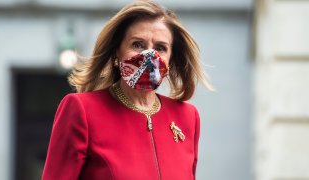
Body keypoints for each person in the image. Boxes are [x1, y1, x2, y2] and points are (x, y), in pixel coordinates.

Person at [42, 0, 213, 179]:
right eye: (138, 44)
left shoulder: (187, 117)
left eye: (160, 48)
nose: (149, 55)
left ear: (170, 60)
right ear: (117, 53)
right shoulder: (82, 109)